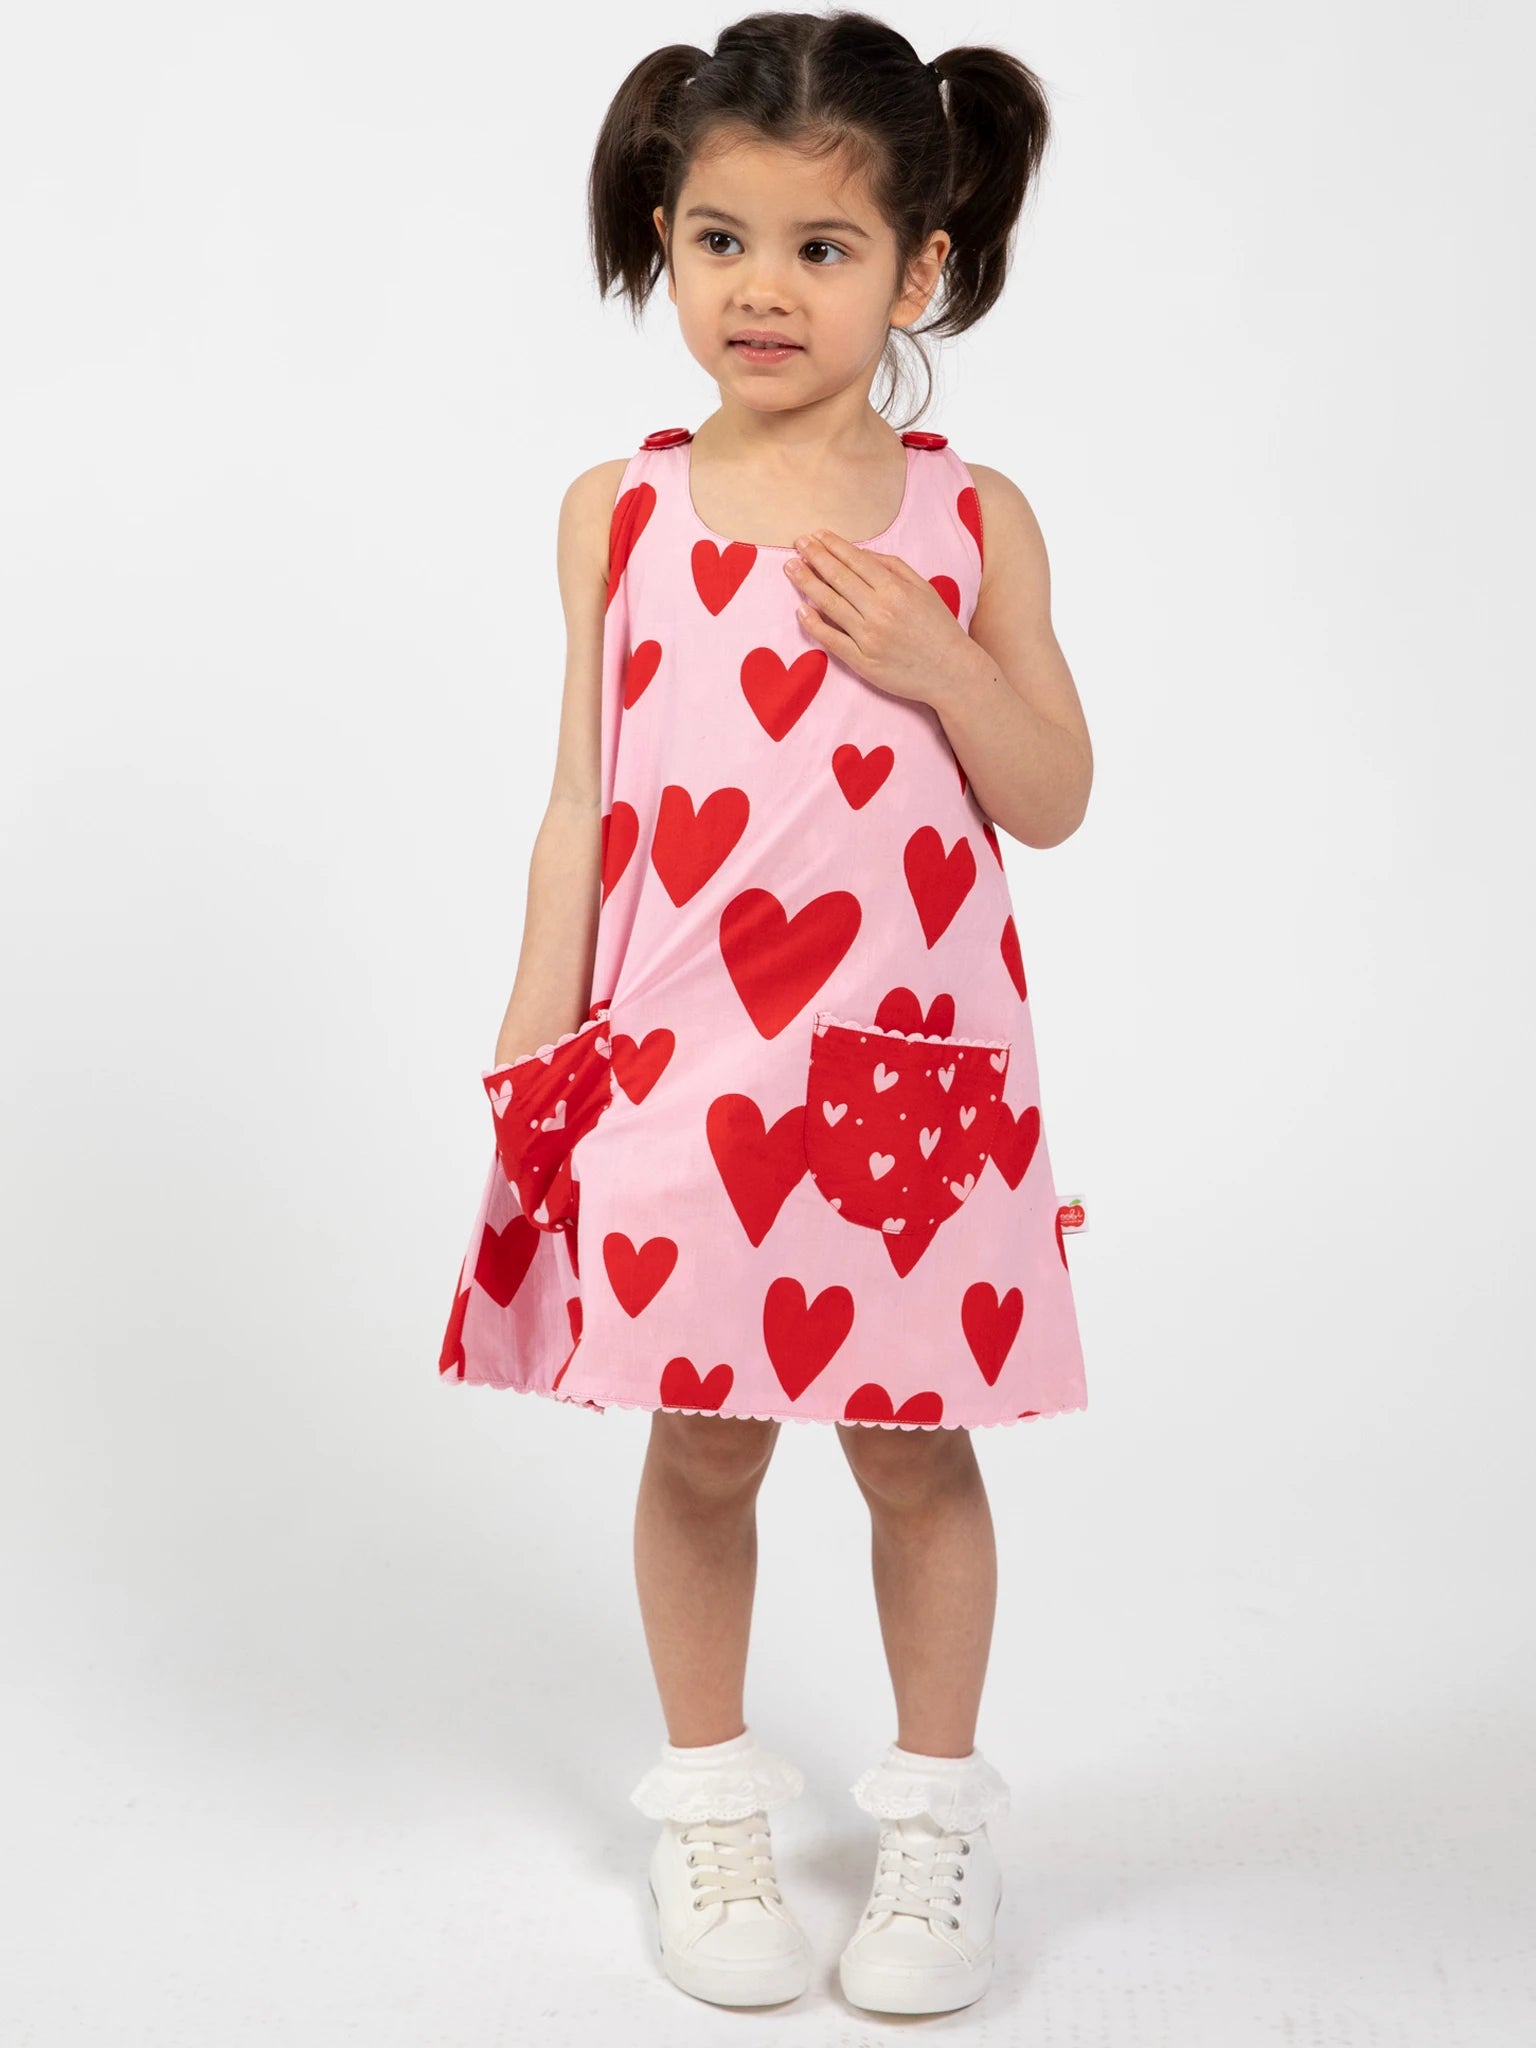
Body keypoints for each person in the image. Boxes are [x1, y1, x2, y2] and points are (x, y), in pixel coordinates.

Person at [438, 6, 1093, 2017]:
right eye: (720, 237)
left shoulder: (966, 516)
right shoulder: (613, 514)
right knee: (704, 1446)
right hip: (678, 1061)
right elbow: (581, 801)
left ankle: (935, 1827)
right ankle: (710, 1805)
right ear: (662, 231)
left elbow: (1052, 795)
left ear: (921, 269)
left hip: (907, 1075)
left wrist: (936, 658)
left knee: (913, 1453)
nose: (763, 287)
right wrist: (534, 1052)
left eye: (821, 249)